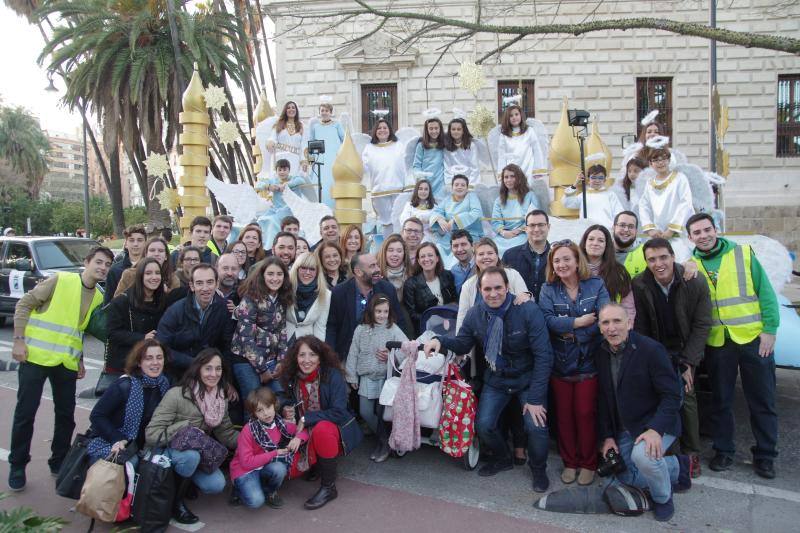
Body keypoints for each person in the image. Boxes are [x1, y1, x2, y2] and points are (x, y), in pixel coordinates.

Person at [424, 267, 553, 491]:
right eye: (487, 289)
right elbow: (463, 343)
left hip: (526, 377)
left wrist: (535, 398)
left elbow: (544, 355)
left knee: (536, 426)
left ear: (506, 288)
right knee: (483, 425)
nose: (493, 294)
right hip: (497, 378)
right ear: (480, 290)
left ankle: (539, 469)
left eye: (498, 288)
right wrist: (440, 340)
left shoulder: (528, 311)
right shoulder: (475, 313)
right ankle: (503, 459)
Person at [8, 246, 113, 491]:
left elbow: (76, 330)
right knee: (26, 414)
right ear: (87, 262)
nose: (103, 268)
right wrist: (18, 340)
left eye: (107, 264)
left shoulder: (98, 296)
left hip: (66, 363)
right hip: (35, 358)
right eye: (99, 262)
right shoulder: (60, 280)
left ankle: (59, 461)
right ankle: (17, 464)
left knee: (66, 416)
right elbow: (24, 304)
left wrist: (80, 359)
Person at [686, 213, 780, 479]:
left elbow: (766, 294)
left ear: (716, 230)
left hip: (752, 339)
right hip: (718, 343)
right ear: (690, 237)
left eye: (707, 230)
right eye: (697, 232)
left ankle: (765, 455)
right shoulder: (691, 265)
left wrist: (769, 330)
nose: (703, 236)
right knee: (721, 401)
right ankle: (724, 450)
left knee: (762, 400)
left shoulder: (744, 254)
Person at [595, 304, 690, 522]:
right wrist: (608, 437)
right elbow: (603, 399)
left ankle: (663, 497)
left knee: (643, 457)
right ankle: (678, 467)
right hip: (626, 426)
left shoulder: (651, 350)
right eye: (606, 323)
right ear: (600, 328)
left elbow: (672, 396)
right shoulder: (600, 353)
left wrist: (655, 430)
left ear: (629, 323)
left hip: (655, 422)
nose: (612, 328)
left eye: (617, 321)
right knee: (618, 479)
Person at [633, 238, 712, 477]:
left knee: (686, 394)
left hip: (685, 349)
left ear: (673, 256)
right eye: (652, 259)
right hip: (657, 350)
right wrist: (650, 360)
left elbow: (702, 325)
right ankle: (669, 449)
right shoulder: (640, 284)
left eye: (663, 257)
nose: (658, 263)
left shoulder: (694, 281)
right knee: (659, 395)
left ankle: (691, 453)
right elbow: (642, 326)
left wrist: (688, 362)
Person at [538, 240, 610, 486]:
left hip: (588, 362)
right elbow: (546, 321)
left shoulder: (596, 284)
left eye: (566, 259)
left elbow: (603, 319)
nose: (562, 264)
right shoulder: (548, 289)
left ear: (577, 260)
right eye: (556, 260)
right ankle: (570, 462)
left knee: (585, 413)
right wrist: (578, 323)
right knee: (565, 416)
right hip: (559, 363)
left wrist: (569, 333)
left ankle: (588, 463)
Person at [145, 349, 239, 525]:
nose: (213, 374)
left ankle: (186, 484)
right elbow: (152, 435)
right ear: (198, 369)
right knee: (191, 456)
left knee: (217, 484)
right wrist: (185, 427)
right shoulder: (177, 395)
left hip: (195, 451)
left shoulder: (220, 398)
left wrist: (251, 437)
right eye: (208, 368)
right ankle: (175, 502)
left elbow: (226, 434)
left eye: (218, 369)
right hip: (167, 451)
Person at [280, 336, 363, 509]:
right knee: (289, 470)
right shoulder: (293, 376)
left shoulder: (333, 375)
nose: (307, 360)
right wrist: (286, 409)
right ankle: (316, 461)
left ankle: (328, 487)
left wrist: (306, 418)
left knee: (321, 429)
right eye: (302, 355)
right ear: (296, 357)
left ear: (320, 357)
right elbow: (286, 400)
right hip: (303, 431)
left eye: (312, 355)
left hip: (336, 431)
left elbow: (339, 412)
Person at [87, 339, 170, 464]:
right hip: (112, 440)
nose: (155, 362)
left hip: (145, 444)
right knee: (130, 461)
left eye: (159, 357)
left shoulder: (163, 384)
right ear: (139, 362)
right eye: (148, 358)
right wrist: (116, 439)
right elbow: (97, 415)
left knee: (163, 464)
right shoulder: (125, 385)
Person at [345, 296, 407, 462]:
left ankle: (383, 444)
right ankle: (385, 439)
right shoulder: (361, 329)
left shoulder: (392, 328)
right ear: (371, 311)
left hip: (384, 378)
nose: (381, 315)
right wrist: (351, 375)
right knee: (365, 411)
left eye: (385, 311)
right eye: (378, 311)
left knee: (381, 413)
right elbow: (353, 352)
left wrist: (391, 356)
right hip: (366, 375)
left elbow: (406, 348)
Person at [230, 387, 307, 509]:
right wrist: (275, 453)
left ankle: (269, 492)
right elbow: (246, 463)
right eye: (260, 410)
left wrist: (298, 438)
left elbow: (301, 431)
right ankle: (238, 488)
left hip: (263, 465)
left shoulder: (278, 423)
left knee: (279, 469)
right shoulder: (248, 430)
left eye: (268, 407)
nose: (266, 413)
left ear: (274, 405)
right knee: (256, 502)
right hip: (245, 470)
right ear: (254, 413)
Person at [156, 264, 235, 378]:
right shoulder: (175, 311)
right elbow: (162, 347)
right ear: (192, 286)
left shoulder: (224, 309)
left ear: (217, 284)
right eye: (199, 283)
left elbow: (228, 346)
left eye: (209, 282)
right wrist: (193, 362)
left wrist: (226, 380)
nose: (205, 288)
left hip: (212, 371)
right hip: (179, 370)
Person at [231, 257, 293, 400]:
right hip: (246, 360)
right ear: (262, 276)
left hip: (270, 359)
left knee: (280, 399)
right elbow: (246, 338)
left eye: (279, 274)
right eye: (270, 274)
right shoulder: (250, 299)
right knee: (255, 403)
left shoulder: (282, 298)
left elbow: (282, 332)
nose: (275, 278)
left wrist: (281, 362)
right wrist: (262, 369)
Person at [326, 252, 407, 361]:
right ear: (358, 272)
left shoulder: (387, 289)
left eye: (377, 265)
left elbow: (399, 322)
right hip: (347, 354)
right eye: (372, 266)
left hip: (379, 355)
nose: (378, 269)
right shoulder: (339, 292)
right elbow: (331, 327)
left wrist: (392, 351)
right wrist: (331, 357)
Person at [106, 258, 170, 375]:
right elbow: (113, 333)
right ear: (140, 276)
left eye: (157, 273)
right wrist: (142, 338)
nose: (154, 277)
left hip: (153, 366)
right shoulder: (122, 301)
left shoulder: (164, 301)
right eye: (148, 273)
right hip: (124, 366)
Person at [456, 238, 530, 331]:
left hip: (512, 332)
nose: (486, 257)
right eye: (481, 254)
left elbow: (526, 299)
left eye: (490, 253)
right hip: (479, 337)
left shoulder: (513, 275)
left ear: (497, 255)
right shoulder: (468, 285)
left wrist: (527, 296)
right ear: (475, 258)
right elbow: (462, 318)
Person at [639, 146, 694, 261]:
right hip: (658, 237)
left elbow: (686, 203)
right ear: (650, 163)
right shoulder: (649, 184)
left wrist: (672, 229)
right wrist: (650, 229)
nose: (660, 163)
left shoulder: (680, 179)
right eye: (656, 160)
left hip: (678, 236)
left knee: (681, 264)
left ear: (669, 160)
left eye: (663, 159)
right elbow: (644, 206)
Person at [362, 118, 411, 235]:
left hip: (398, 189)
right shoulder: (369, 148)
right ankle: (388, 246)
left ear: (390, 130)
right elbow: (364, 167)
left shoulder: (399, 145)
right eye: (379, 128)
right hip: (379, 191)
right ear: (375, 131)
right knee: (386, 223)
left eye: (385, 128)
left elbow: (406, 164)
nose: (382, 130)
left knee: (399, 220)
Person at [579, 225, 636, 321]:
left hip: (610, 328)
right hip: (580, 328)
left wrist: (627, 327)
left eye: (601, 240)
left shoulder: (619, 271)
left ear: (607, 245)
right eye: (591, 239)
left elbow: (627, 305)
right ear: (584, 243)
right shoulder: (573, 270)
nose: (595, 243)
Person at [403, 243, 457, 337]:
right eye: (423, 256)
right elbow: (411, 313)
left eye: (430, 255)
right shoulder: (411, 284)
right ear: (419, 261)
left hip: (450, 327)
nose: (426, 259)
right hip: (425, 331)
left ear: (437, 258)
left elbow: (455, 300)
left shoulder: (447, 276)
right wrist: (433, 318)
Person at [502, 210, 551, 303]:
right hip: (519, 311)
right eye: (532, 225)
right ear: (526, 228)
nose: (536, 229)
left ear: (548, 227)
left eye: (541, 225)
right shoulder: (510, 256)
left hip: (552, 313)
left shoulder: (557, 257)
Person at [491, 164, 540, 256]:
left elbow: (536, 218)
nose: (509, 180)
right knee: (493, 249)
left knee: (518, 249)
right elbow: (495, 221)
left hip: (524, 234)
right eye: (506, 177)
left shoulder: (530, 196)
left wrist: (519, 230)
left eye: (512, 176)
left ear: (519, 178)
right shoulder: (498, 200)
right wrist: (504, 232)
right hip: (503, 236)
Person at [257, 159, 307, 247]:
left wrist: (286, 185)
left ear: (289, 170)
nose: (282, 172)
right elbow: (259, 185)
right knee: (261, 220)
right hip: (276, 209)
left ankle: (271, 246)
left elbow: (301, 181)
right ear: (276, 171)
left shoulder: (294, 179)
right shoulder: (273, 181)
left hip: (290, 209)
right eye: (279, 170)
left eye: (284, 170)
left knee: (273, 220)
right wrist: (268, 187)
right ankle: (262, 245)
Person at [561, 165, 624, 230]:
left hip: (606, 230)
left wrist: (616, 226)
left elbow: (619, 212)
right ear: (588, 179)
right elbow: (567, 203)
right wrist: (575, 184)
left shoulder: (610, 195)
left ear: (605, 180)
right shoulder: (584, 195)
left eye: (600, 178)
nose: (597, 180)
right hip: (586, 230)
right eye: (593, 177)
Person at [114, 236, 180, 298]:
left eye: (161, 251)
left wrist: (167, 292)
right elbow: (116, 302)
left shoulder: (173, 279)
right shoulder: (129, 274)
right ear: (145, 254)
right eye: (152, 250)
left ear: (166, 256)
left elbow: (176, 305)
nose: (156, 254)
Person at [308, 99, 345, 209]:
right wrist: (311, 160)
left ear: (330, 112)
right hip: (320, 161)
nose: (324, 112)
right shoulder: (316, 127)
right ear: (319, 112)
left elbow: (345, 139)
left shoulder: (337, 125)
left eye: (326, 110)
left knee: (333, 182)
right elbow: (311, 143)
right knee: (320, 185)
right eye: (322, 110)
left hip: (334, 160)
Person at [430, 174, 483, 249]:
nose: (459, 187)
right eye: (456, 185)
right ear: (452, 187)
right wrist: (439, 219)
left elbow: (476, 212)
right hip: (450, 235)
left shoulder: (472, 196)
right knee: (439, 248)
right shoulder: (447, 199)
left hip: (469, 234)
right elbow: (437, 211)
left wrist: (456, 219)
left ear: (467, 188)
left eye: (463, 185)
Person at [496, 104, 547, 181]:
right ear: (507, 118)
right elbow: (502, 156)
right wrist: (501, 173)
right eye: (511, 115)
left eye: (516, 114)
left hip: (528, 167)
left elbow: (537, 150)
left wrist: (538, 169)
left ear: (521, 115)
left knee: (528, 189)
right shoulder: (504, 136)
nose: (514, 117)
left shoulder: (529, 131)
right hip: (511, 170)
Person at [287, 251, 330, 343]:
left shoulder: (326, 294)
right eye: (303, 268)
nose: (307, 272)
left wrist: (317, 351)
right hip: (283, 339)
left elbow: (320, 327)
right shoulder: (286, 287)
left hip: (307, 342)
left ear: (317, 272)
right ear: (297, 269)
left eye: (312, 269)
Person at [105, 224, 147, 304]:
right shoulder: (115, 270)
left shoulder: (152, 267)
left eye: (140, 240)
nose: (135, 244)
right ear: (126, 244)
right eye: (131, 240)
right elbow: (108, 303)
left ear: (145, 243)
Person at [267, 101, 309, 177]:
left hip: (295, 160)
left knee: (294, 182)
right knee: (281, 183)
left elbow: (304, 144)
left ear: (296, 110)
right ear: (285, 110)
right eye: (288, 108)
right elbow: (272, 137)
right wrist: (270, 142)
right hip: (281, 159)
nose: (291, 109)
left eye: (293, 108)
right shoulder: (278, 124)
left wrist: (304, 160)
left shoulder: (301, 126)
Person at [412, 116, 446, 200]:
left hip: (440, 182)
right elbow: (416, 165)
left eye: (436, 128)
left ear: (440, 129)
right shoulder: (421, 145)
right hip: (425, 182)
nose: (434, 131)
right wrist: (422, 178)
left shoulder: (444, 145)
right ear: (427, 130)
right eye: (431, 128)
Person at [443, 118, 482, 185]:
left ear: (463, 131)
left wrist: (471, 184)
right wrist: (450, 184)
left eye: (459, 129)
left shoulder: (471, 145)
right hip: (454, 183)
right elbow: (447, 168)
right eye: (453, 129)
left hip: (469, 181)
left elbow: (474, 167)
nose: (456, 131)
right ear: (450, 131)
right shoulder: (447, 147)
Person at [612, 210, 647, 279]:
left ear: (636, 231)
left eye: (631, 226)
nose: (626, 229)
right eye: (622, 225)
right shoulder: (601, 250)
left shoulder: (645, 252)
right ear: (614, 228)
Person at [449, 229, 475, 296]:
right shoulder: (453, 271)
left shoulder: (482, 265)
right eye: (455, 246)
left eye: (463, 244)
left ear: (472, 245)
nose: (459, 249)